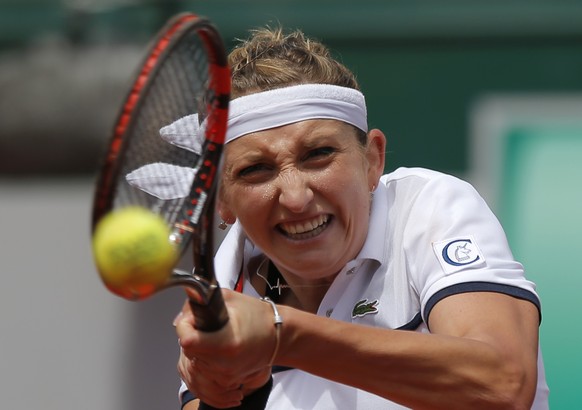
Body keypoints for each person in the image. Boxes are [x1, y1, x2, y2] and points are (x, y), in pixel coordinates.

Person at [173, 26, 549, 409]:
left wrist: (283, 334)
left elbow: (503, 385)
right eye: (256, 170)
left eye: (318, 154)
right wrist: (237, 399)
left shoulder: (429, 206)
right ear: (223, 202)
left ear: (372, 160)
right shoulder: (225, 283)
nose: (296, 197)